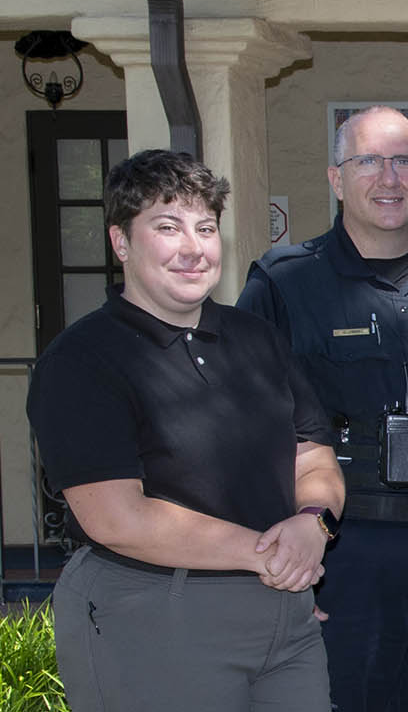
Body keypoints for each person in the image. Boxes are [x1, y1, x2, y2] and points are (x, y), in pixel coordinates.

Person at [29, 149, 346, 711]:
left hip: (283, 617)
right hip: (154, 611)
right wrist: (271, 554)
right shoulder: (82, 360)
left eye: (205, 227)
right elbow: (116, 518)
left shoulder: (258, 340)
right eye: (167, 226)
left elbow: (313, 455)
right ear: (121, 242)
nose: (193, 248)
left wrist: (311, 524)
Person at [237, 105, 408, 712]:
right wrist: (270, 563)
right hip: (340, 552)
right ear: (335, 178)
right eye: (369, 161)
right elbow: (241, 432)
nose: (389, 178)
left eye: (405, 162)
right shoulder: (284, 284)